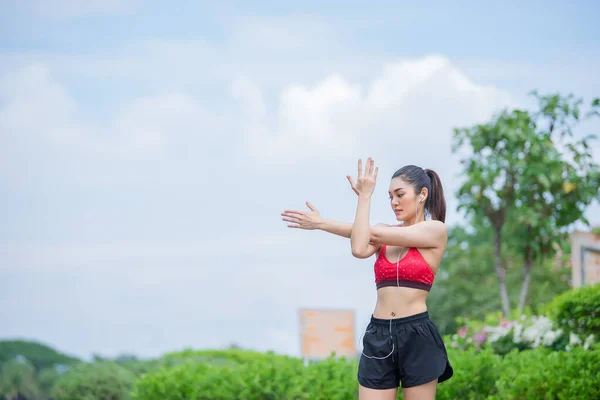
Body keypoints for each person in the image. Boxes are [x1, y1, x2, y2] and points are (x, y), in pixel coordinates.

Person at [281, 158, 453, 400]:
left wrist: (325, 221)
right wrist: (363, 199)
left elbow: (370, 232)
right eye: (390, 196)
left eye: (400, 194)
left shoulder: (435, 230)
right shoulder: (383, 233)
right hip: (379, 334)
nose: (394, 202)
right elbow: (359, 247)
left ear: (422, 194)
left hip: (417, 334)